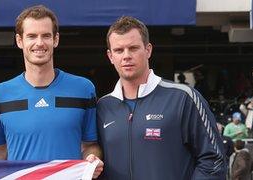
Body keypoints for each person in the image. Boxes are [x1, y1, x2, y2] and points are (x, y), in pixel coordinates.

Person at [0, 5, 103, 178]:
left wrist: (93, 159)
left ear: (56, 39)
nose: (39, 43)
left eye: (46, 36)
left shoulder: (83, 89)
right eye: (32, 36)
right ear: (20, 41)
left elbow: (89, 145)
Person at [96, 16, 226, 179]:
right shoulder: (103, 107)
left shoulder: (183, 98)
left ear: (148, 50)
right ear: (110, 56)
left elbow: (214, 160)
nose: (126, 56)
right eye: (119, 50)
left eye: (133, 48)